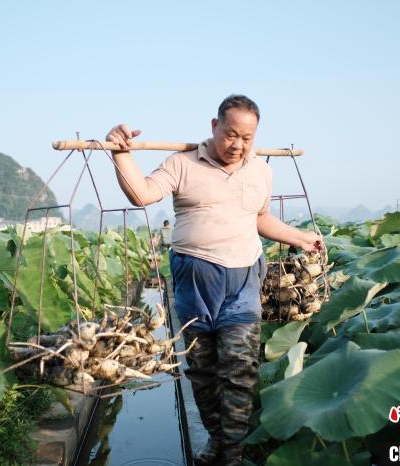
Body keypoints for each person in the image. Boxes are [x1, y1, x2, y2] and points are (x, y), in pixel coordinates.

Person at [106, 95, 323, 466]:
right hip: (194, 285)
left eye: (247, 137)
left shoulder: (261, 171)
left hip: (242, 281)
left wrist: (300, 238)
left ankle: (232, 455)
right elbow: (141, 194)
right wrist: (120, 152)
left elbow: (260, 218)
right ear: (214, 126)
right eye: (231, 134)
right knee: (202, 373)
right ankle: (217, 442)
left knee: (239, 370)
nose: (237, 145)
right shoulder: (182, 163)